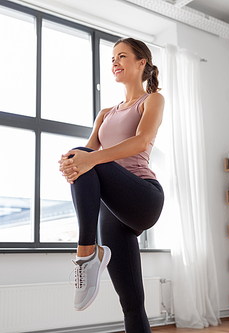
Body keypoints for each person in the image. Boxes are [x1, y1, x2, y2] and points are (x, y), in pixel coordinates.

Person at [58, 37, 165, 332]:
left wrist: (86, 159)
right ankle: (95, 254)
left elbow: (141, 141)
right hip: (112, 211)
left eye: (122, 57)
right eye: (112, 59)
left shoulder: (152, 100)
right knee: (131, 302)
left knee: (88, 157)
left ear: (141, 63)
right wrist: (71, 163)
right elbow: (87, 155)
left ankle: (86, 253)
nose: (114, 63)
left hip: (143, 196)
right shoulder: (105, 113)